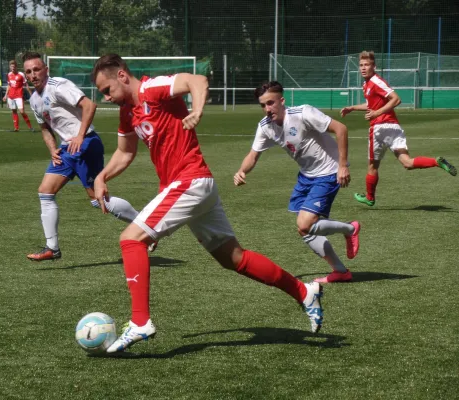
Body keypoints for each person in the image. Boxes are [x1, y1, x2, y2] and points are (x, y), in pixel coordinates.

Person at [91, 53, 325, 354]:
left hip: (189, 182)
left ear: (122, 76)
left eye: (107, 90)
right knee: (234, 259)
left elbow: (196, 80)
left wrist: (198, 110)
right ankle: (305, 291)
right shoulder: (128, 112)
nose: (107, 98)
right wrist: (102, 176)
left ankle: (140, 322)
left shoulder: (152, 89)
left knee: (130, 240)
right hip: (193, 187)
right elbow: (125, 152)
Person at [234, 81, 361, 284]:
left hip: (329, 171)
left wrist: (343, 165)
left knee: (305, 223)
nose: (267, 109)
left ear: (281, 101)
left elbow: (341, 128)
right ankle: (340, 270)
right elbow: (253, 155)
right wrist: (241, 171)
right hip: (306, 175)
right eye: (263, 105)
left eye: (271, 103)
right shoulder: (265, 126)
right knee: (304, 229)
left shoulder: (303, 114)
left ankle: (350, 229)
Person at [22, 52, 142, 261]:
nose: (33, 74)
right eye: (28, 72)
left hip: (85, 143)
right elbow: (44, 128)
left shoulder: (59, 86)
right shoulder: (34, 100)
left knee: (97, 199)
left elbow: (89, 105)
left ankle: (144, 225)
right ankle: (52, 248)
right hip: (67, 149)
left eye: (37, 69)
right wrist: (52, 150)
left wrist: (79, 136)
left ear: (46, 70)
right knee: (45, 192)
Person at [341, 50, 456, 207]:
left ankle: (370, 197)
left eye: (367, 65)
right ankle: (436, 162)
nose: (363, 68)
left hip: (380, 128)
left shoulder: (376, 81)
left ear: (374, 66)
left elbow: (396, 99)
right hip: (393, 127)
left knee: (372, 166)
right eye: (361, 65)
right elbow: (372, 104)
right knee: (407, 163)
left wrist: (376, 113)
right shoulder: (367, 84)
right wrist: (353, 107)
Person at [3, 60, 34, 132]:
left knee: (22, 111)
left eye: (14, 66)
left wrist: (31, 95)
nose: (13, 68)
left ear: (16, 67)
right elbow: (9, 85)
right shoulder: (9, 74)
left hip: (19, 96)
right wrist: (5, 95)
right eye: (11, 66)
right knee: (14, 111)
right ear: (10, 67)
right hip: (11, 96)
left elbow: (26, 85)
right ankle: (16, 128)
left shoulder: (21, 75)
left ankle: (30, 127)